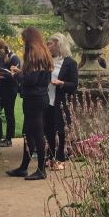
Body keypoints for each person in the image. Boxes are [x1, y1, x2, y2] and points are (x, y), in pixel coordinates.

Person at [6, 27, 51, 181]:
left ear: (29, 40)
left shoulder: (33, 55)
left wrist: (17, 75)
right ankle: (24, 167)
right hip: (40, 97)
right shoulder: (44, 54)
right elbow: (36, 77)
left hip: (34, 99)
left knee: (37, 134)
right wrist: (21, 73)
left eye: (24, 39)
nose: (23, 42)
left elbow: (30, 80)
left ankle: (41, 169)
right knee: (29, 133)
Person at [44, 33, 78, 171]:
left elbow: (74, 85)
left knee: (61, 131)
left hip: (61, 101)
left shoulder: (70, 63)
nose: (48, 46)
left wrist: (61, 83)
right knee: (49, 130)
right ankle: (51, 157)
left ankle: (61, 159)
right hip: (47, 101)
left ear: (58, 44)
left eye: (50, 43)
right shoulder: (48, 61)